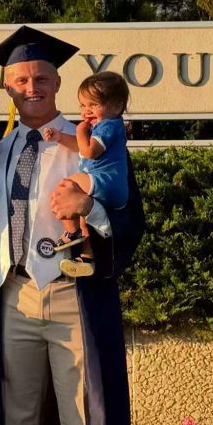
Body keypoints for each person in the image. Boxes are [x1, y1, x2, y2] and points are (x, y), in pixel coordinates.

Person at [0, 25, 145, 425]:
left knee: (84, 416)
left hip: (75, 291)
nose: (33, 86)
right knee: (15, 420)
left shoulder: (92, 140)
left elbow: (126, 217)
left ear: (58, 82)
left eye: (43, 78)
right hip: (14, 293)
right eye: (22, 79)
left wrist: (90, 209)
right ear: (8, 86)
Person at [43, 70, 130, 278]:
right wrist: (60, 137)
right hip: (104, 184)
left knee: (64, 188)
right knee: (85, 220)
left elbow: (89, 151)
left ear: (117, 106)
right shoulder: (101, 128)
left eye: (93, 105)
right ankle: (87, 257)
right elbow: (81, 148)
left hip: (106, 181)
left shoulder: (108, 126)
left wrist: (80, 131)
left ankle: (71, 232)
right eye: (83, 105)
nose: (86, 111)